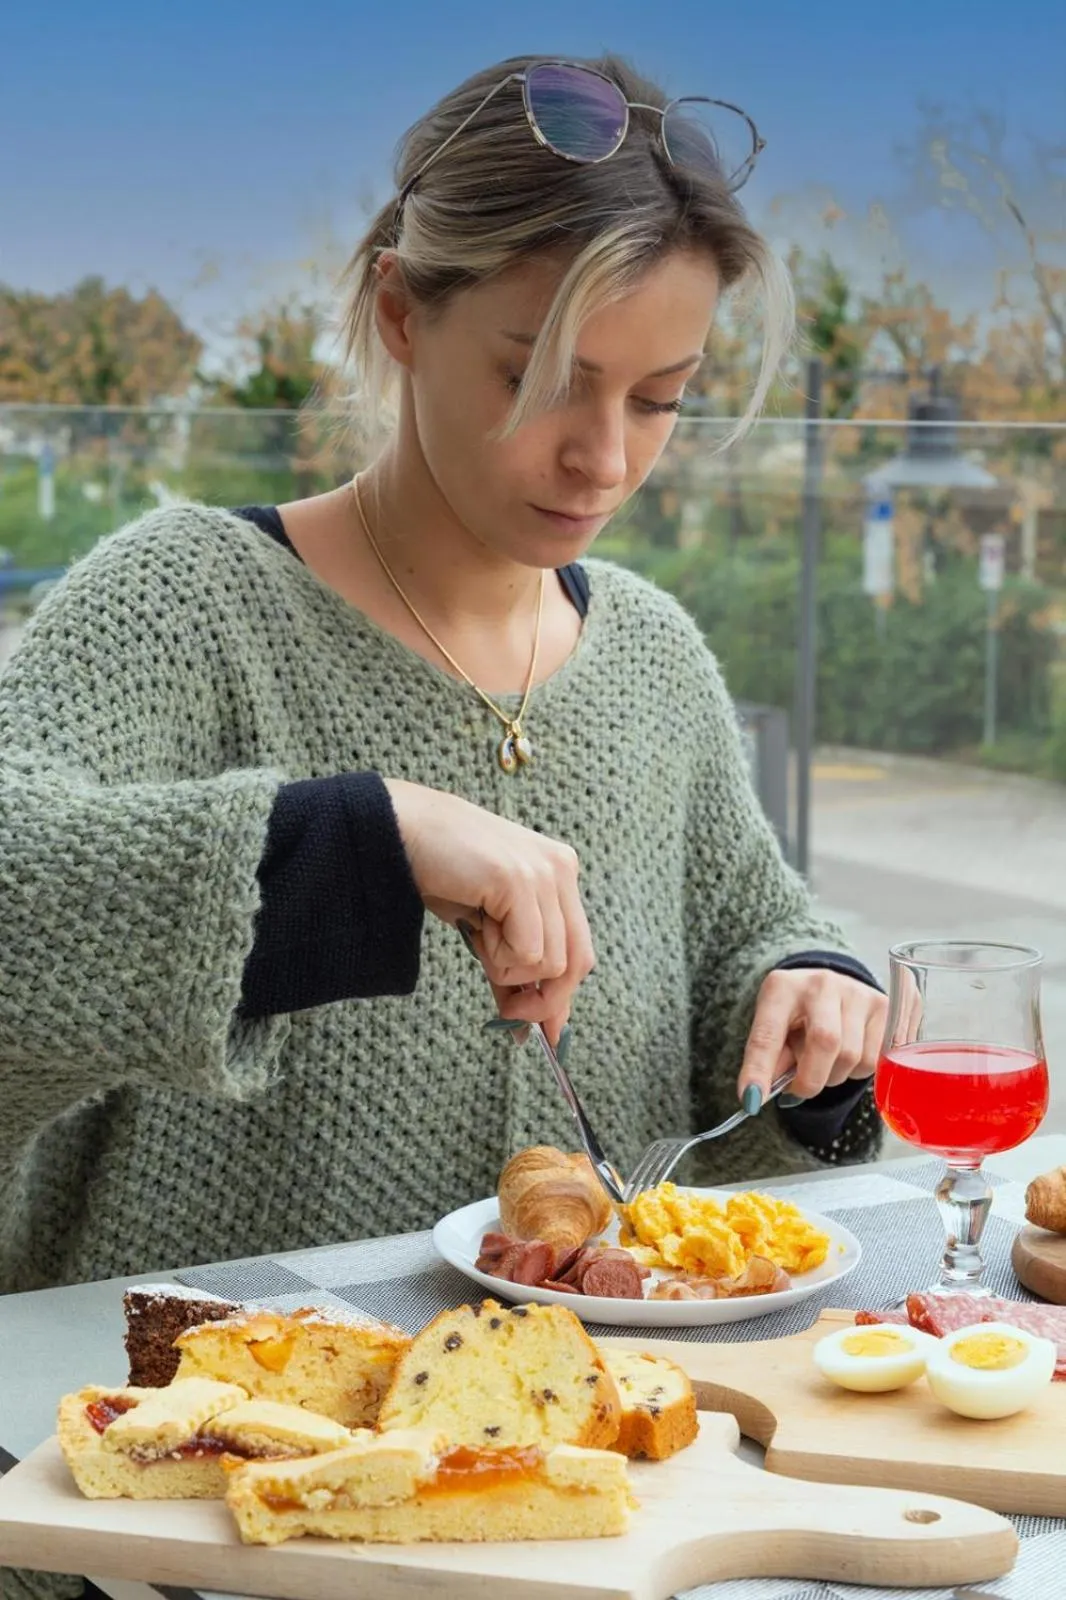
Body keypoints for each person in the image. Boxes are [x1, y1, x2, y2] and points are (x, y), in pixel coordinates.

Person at [0, 53, 887, 1311]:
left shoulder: (649, 656)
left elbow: (747, 943)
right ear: (403, 312)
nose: (602, 457)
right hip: (192, 1438)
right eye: (541, 379)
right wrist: (365, 839)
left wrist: (815, 1012)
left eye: (660, 400)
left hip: (603, 1450)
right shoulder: (184, 601)